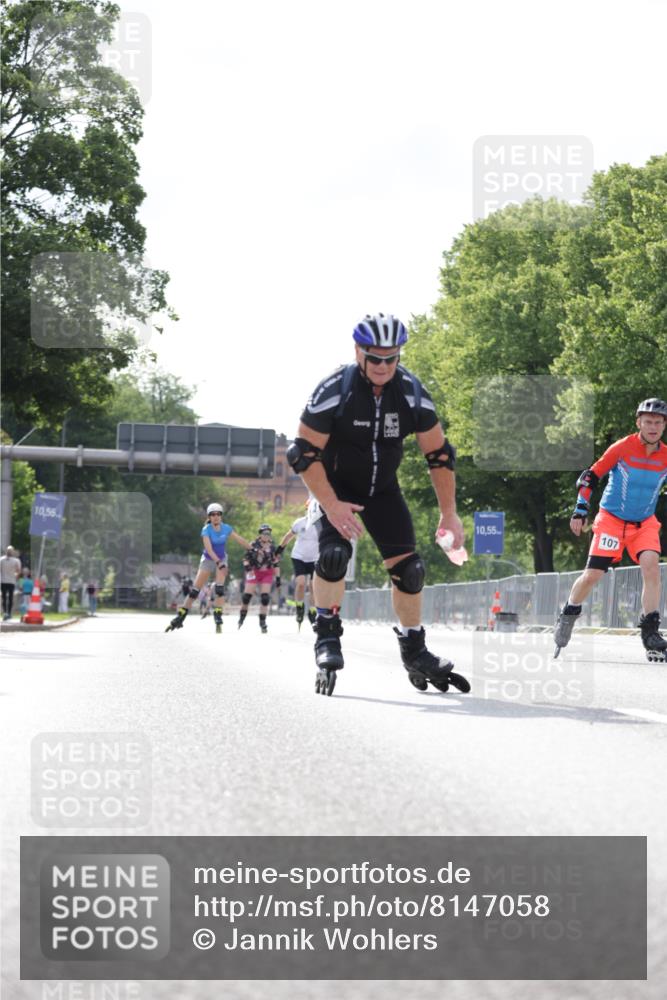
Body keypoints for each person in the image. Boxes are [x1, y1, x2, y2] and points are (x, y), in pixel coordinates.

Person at [287, 312, 472, 695]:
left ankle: (414, 650)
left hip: (383, 491)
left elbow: (438, 454)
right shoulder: (334, 390)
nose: (384, 366)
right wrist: (332, 505)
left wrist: (449, 514)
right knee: (334, 556)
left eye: (392, 358)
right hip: (334, 489)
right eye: (375, 358)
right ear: (358, 352)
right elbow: (302, 453)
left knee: (412, 570)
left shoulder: (410, 392)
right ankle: (326, 637)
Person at [554, 398, 667, 661]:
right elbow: (590, 476)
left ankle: (650, 633)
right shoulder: (623, 447)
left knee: (651, 566)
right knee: (593, 574)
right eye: (648, 422)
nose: (653, 427)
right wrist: (580, 509)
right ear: (639, 423)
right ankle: (569, 612)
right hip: (611, 521)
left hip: (644, 523)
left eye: (658, 423)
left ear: (663, 426)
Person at [166, 503, 249, 634]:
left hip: (222, 558)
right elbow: (209, 549)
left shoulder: (226, 528)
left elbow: (240, 540)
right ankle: (181, 617)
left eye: (218, 514)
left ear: (221, 516)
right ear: (209, 517)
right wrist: (218, 563)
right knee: (194, 591)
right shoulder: (206, 529)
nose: (216, 517)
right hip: (208, 559)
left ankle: (217, 616)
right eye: (213, 514)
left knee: (220, 589)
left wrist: (253, 548)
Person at [276, 504, 320, 629]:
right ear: (307, 510)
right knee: (301, 583)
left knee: (313, 586)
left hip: (315, 558)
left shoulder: (321, 524)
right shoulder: (299, 522)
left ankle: (312, 611)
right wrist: (280, 549)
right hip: (299, 556)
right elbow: (289, 536)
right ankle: (299, 607)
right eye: (310, 510)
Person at [238, 524, 279, 633]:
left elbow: (275, 563)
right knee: (246, 597)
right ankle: (242, 617)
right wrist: (248, 569)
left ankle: (262, 622)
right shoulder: (252, 545)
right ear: (260, 534)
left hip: (267, 573)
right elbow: (245, 559)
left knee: (265, 598)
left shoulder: (273, 547)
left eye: (268, 533)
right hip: (254, 571)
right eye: (264, 533)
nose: (267, 535)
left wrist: (278, 577)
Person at [1, 546, 22, 620]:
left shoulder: (15, 560)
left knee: (7, 597)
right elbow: (19, 571)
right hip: (6, 581)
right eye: (9, 550)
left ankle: (7, 613)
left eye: (10, 551)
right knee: (7, 597)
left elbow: (18, 571)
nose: (9, 552)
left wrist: (15, 576)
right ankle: (6, 613)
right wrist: (16, 575)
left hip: (8, 581)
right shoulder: (2, 559)